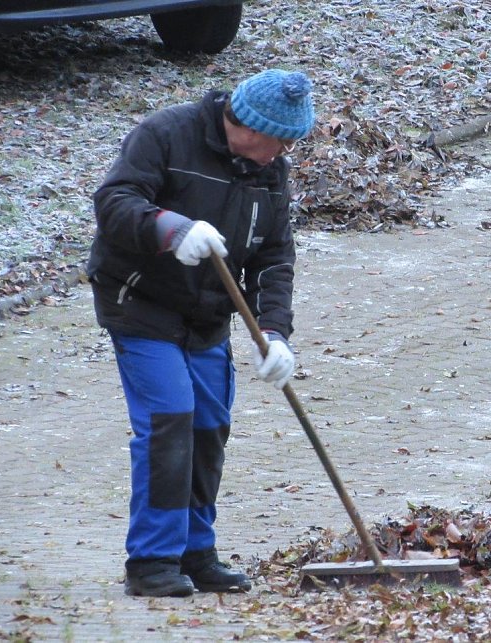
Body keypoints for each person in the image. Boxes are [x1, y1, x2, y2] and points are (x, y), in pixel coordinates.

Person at [87, 69, 316, 597]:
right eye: (280, 140)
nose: (282, 153)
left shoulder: (268, 172)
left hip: (207, 315)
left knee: (209, 424)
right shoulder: (166, 135)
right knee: (171, 418)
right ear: (249, 125)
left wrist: (274, 332)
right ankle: (152, 561)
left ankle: (195, 551)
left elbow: (273, 258)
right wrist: (172, 229)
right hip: (141, 303)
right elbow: (115, 202)